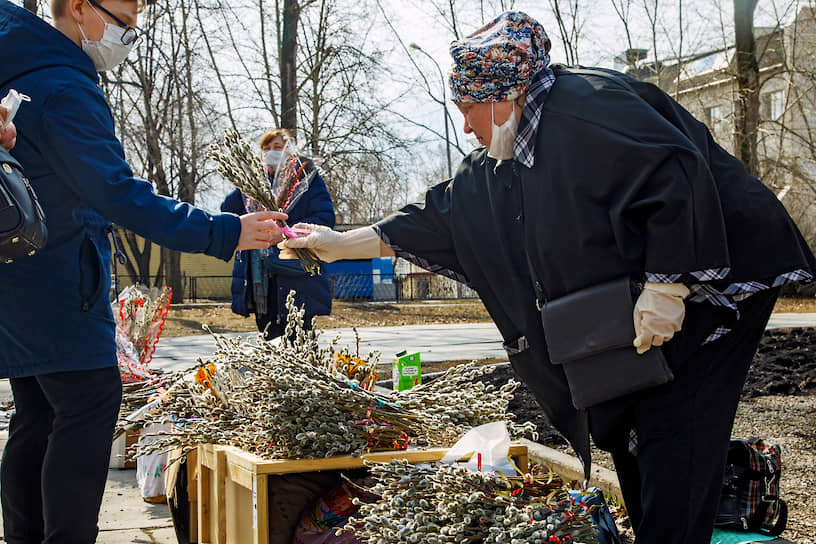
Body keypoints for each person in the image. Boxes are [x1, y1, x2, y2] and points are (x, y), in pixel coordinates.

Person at [280, 11, 816, 544]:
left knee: (676, 420)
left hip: (725, 274)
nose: (465, 126)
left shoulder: (589, 107)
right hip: (667, 284)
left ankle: (680, 522)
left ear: (502, 97)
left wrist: (667, 285)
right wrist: (339, 244)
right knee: (632, 420)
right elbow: (445, 213)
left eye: (468, 110)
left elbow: (673, 172)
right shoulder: (512, 149)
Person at [0, 1, 287, 543]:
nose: (130, 33)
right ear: (80, 7)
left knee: (36, 413)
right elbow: (117, 193)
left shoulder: (20, 66)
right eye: (125, 19)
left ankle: (23, 535)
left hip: (19, 273)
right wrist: (224, 231)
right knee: (89, 402)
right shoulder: (64, 86)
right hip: (60, 274)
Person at [220, 128, 335, 340]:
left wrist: (286, 233)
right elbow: (227, 211)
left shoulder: (307, 180)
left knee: (300, 341)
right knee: (269, 338)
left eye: (277, 148)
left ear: (290, 152)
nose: (271, 152)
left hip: (296, 271)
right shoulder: (254, 183)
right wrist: (246, 181)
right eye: (266, 148)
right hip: (259, 278)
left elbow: (325, 219)